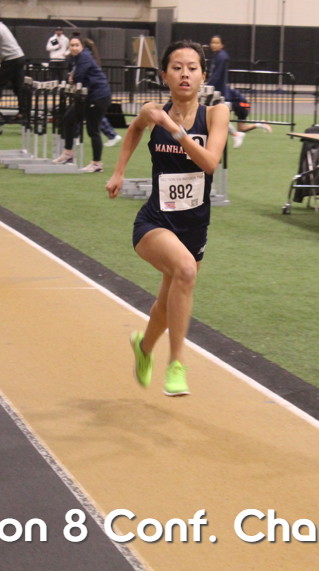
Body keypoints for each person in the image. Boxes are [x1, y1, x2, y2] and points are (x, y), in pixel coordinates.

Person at [106, 40, 229, 396]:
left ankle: (144, 348)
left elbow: (209, 163)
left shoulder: (215, 114)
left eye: (192, 68)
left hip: (195, 226)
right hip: (155, 222)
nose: (184, 74)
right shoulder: (153, 111)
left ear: (203, 76)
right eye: (177, 68)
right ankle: (176, 364)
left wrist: (175, 129)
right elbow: (134, 130)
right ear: (164, 75)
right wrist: (118, 172)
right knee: (185, 271)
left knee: (168, 300)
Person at [51, 37, 112, 172]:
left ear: (82, 47)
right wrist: (71, 78)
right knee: (68, 118)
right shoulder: (73, 59)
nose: (74, 48)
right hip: (85, 96)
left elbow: (78, 76)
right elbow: (70, 76)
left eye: (77, 45)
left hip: (98, 96)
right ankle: (68, 153)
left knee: (93, 130)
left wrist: (72, 78)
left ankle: (97, 164)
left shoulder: (84, 57)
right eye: (72, 45)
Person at [207, 34, 270, 148]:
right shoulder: (217, 56)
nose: (213, 45)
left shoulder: (221, 57)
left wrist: (207, 86)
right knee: (225, 121)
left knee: (219, 117)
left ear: (222, 45)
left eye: (216, 42)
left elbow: (216, 75)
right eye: (212, 42)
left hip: (236, 101)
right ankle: (242, 132)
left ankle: (236, 135)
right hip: (225, 96)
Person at [0, 12, 28, 132]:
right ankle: (22, 112)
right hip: (19, 57)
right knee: (18, 87)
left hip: (10, 60)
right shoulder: (2, 26)